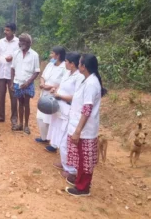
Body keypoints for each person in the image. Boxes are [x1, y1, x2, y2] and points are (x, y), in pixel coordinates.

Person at [65, 54, 107, 197]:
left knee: (85, 160)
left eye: (80, 63)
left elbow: (87, 109)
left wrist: (77, 131)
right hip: (82, 127)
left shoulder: (90, 84)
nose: (78, 65)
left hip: (84, 129)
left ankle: (83, 188)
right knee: (82, 159)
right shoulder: (88, 80)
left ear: (84, 67)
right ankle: (80, 182)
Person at [50, 53, 85, 178]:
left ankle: (70, 169)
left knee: (66, 139)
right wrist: (56, 90)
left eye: (67, 61)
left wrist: (60, 96)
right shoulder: (67, 72)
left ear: (73, 64)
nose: (65, 63)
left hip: (70, 109)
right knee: (60, 135)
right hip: (61, 108)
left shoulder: (79, 77)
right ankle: (64, 162)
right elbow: (61, 85)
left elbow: (76, 97)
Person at [35, 46, 66, 146]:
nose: (50, 55)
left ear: (58, 55)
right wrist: (42, 83)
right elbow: (43, 76)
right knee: (40, 116)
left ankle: (52, 142)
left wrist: (52, 87)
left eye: (52, 53)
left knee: (51, 119)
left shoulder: (65, 67)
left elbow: (64, 83)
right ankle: (44, 137)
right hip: (44, 93)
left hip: (54, 95)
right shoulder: (50, 64)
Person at [10, 33, 40, 134]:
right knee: (20, 103)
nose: (20, 43)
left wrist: (28, 83)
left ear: (28, 43)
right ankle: (20, 124)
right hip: (17, 82)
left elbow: (36, 72)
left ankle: (26, 126)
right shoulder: (16, 53)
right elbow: (13, 68)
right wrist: (11, 83)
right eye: (19, 41)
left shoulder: (34, 55)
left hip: (28, 83)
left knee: (26, 104)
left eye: (22, 41)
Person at [0, 23, 20, 127]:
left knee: (13, 96)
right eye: (5, 30)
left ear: (13, 31)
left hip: (12, 74)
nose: (5, 32)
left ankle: (14, 118)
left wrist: (12, 57)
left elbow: (20, 55)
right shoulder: (0, 42)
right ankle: (0, 116)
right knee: (1, 95)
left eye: (8, 30)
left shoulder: (18, 42)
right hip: (1, 72)